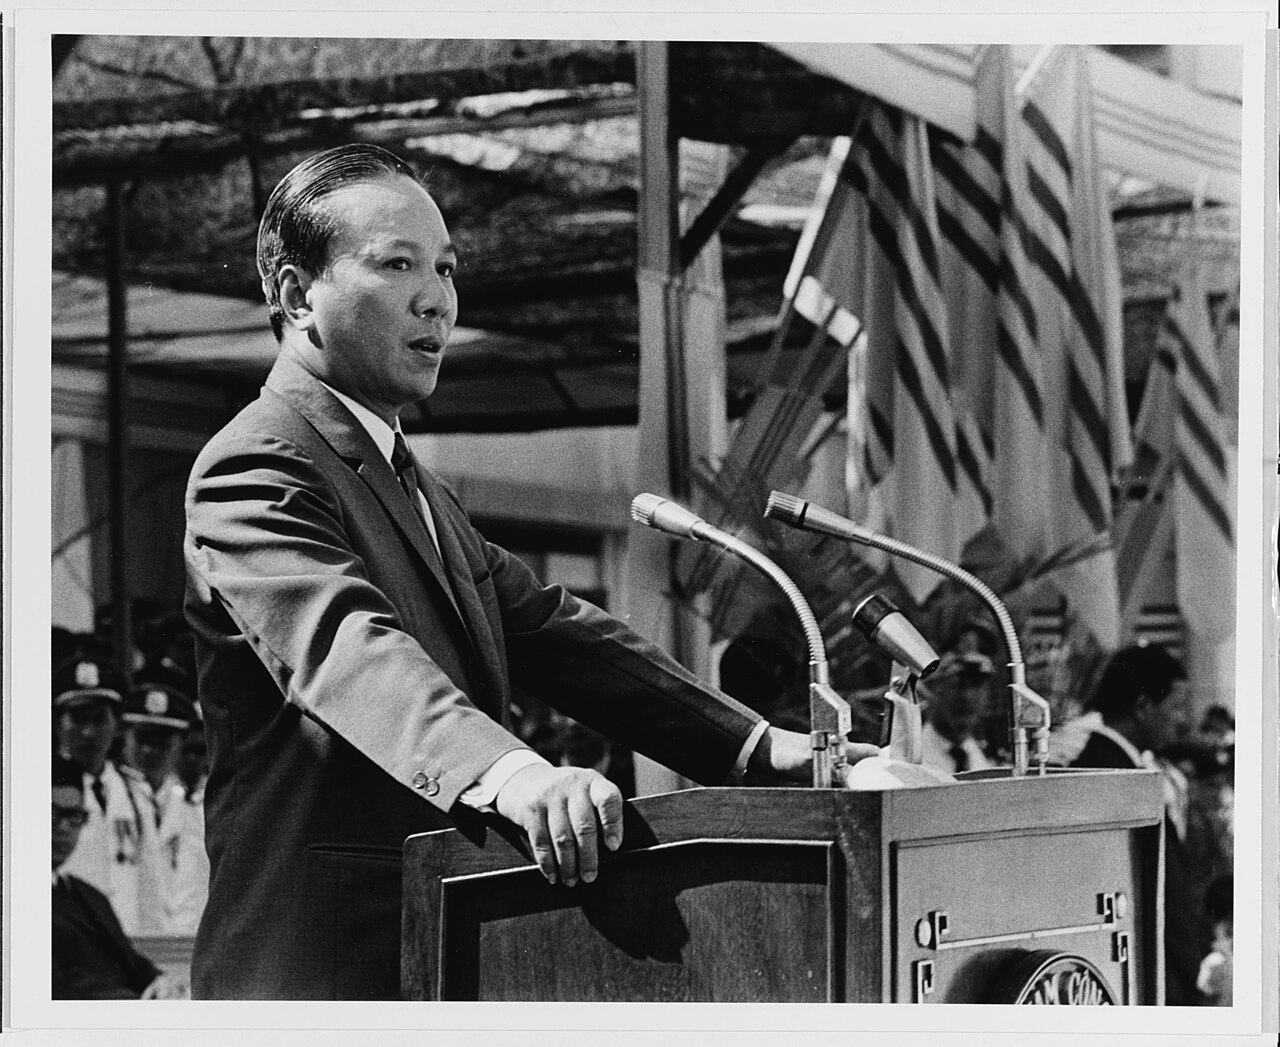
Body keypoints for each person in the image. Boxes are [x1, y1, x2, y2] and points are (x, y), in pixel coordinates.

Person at [183, 144, 843, 1000]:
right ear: (295, 293)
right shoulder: (255, 464)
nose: (438, 298)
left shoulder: (412, 485)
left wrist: (759, 749)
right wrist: (517, 775)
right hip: (322, 971)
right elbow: (351, 648)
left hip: (443, 951)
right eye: (397, 264)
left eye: (447, 268)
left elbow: (555, 632)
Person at [52, 753, 189, 999]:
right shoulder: (16, 900)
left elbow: (134, 964)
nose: (63, 829)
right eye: (53, 815)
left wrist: (160, 984)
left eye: (74, 817)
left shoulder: (86, 895)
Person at [53, 654, 156, 937]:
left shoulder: (135, 793)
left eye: (99, 719)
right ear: (59, 723)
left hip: (127, 941)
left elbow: (150, 886)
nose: (88, 732)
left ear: (117, 724)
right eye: (77, 719)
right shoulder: (41, 789)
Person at [120, 674, 208, 935]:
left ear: (180, 743)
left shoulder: (194, 806)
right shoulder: (112, 796)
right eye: (143, 739)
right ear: (125, 737)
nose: (150, 750)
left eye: (163, 741)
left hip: (183, 940)